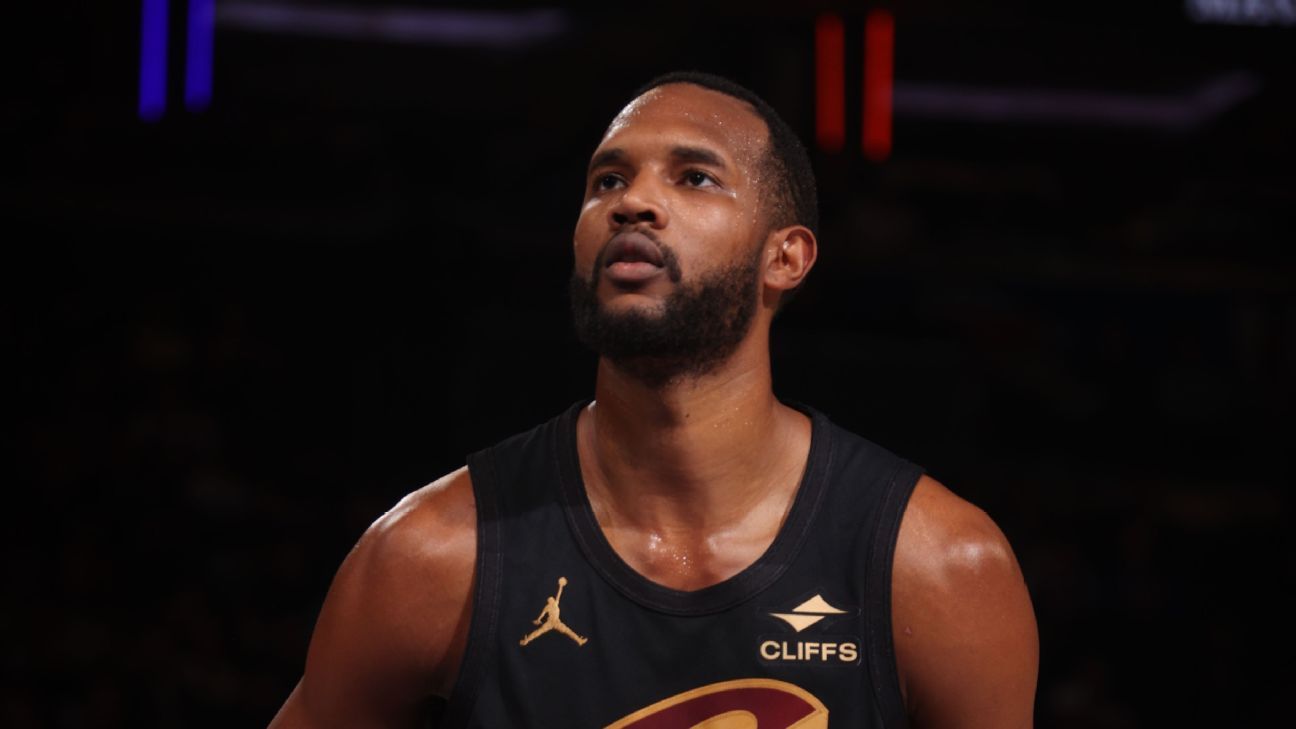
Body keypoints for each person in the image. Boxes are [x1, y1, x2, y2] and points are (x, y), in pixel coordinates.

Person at [268, 71, 1038, 728]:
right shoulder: (432, 554)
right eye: (607, 180)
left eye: (693, 177)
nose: (632, 202)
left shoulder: (938, 567)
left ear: (786, 257)